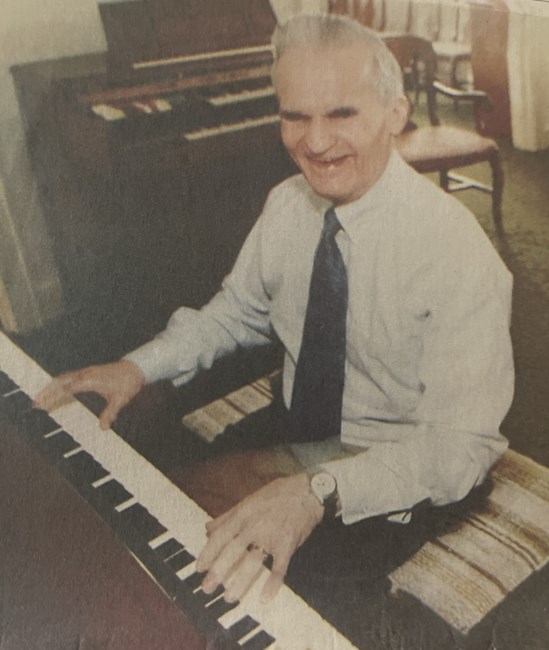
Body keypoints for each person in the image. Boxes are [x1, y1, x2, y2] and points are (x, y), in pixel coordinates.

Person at [35, 14, 514, 606]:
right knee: (155, 518)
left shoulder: (456, 252)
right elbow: (235, 313)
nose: (316, 142)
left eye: (342, 114)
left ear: (396, 113)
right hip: (298, 425)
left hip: (400, 467)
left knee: (225, 583)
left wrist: (317, 490)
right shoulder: (287, 206)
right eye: (296, 116)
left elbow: (460, 447)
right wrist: (136, 367)